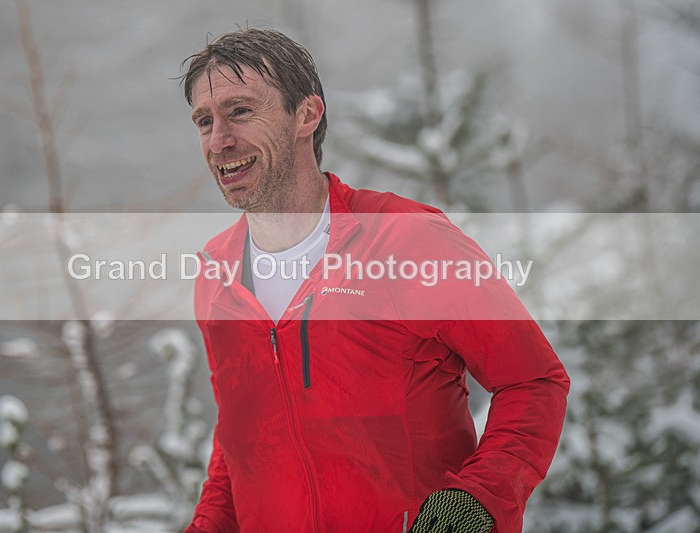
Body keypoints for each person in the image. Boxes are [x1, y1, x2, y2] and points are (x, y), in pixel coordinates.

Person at [180, 28, 569, 533]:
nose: (219, 141)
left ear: (307, 115)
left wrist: (478, 501)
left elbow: (533, 381)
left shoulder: (404, 239)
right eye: (204, 121)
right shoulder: (217, 273)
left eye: (241, 111)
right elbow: (241, 441)